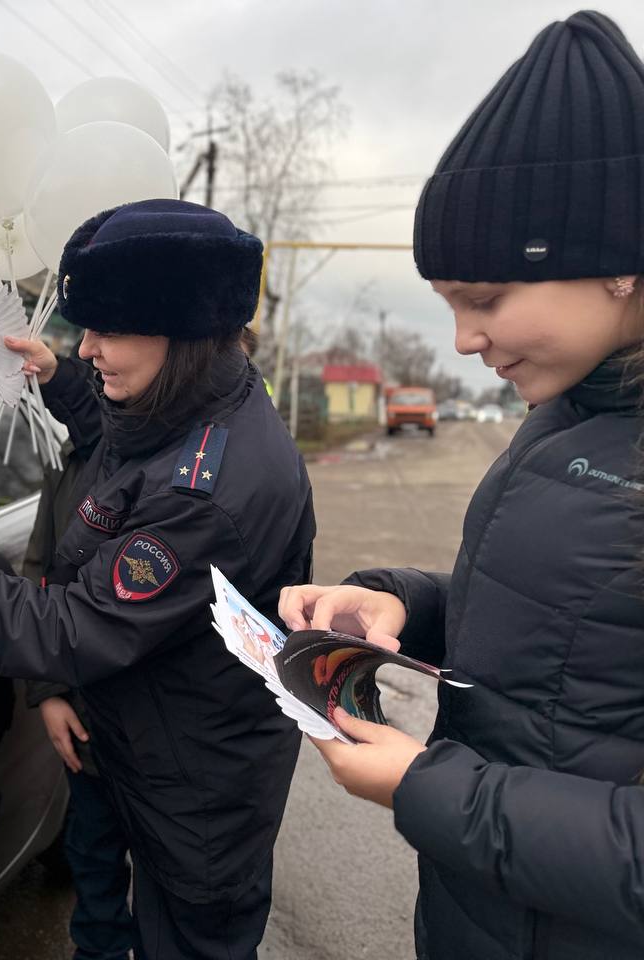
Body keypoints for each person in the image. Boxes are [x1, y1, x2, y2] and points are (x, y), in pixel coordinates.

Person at [0, 199, 316, 959]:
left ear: (181, 333)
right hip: (149, 736)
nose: (90, 346)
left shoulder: (211, 492)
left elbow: (80, 625)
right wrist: (63, 379)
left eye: (106, 331)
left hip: (196, 782)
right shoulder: (193, 407)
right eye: (84, 330)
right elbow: (131, 448)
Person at [278, 11, 644, 958]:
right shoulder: (569, 413)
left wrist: (428, 789)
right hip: (482, 914)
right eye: (449, 305)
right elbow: (572, 638)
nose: (463, 343)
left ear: (618, 264)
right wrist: (399, 604)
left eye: (485, 300)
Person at [21, 389, 134, 960]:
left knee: (178, 897)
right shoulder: (67, 461)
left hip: (165, 735)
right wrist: (47, 690)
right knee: (93, 866)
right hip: (87, 719)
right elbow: (41, 572)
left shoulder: (196, 461)